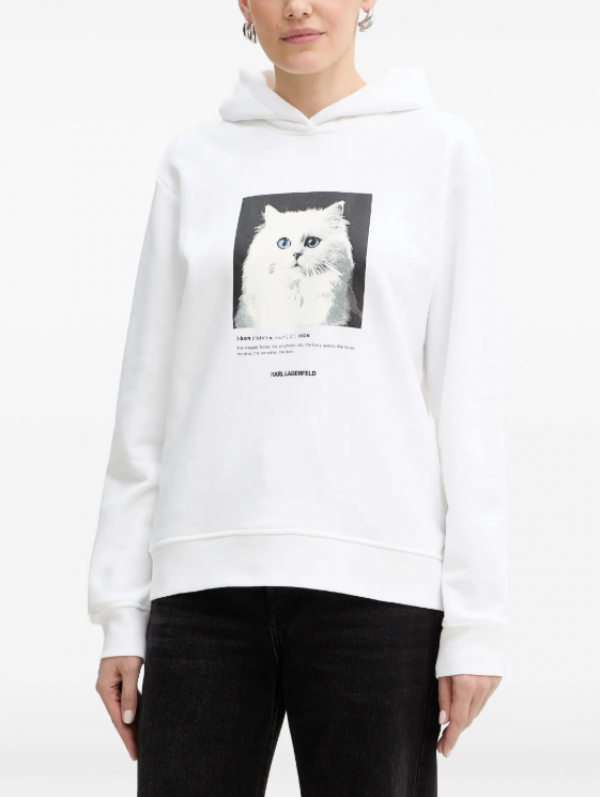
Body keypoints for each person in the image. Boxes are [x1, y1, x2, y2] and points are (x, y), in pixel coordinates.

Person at [88, 1, 510, 794]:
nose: (298, 7)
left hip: (379, 589)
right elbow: (145, 395)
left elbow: (469, 398)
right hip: (202, 587)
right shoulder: (195, 160)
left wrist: (476, 623)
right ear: (243, 5)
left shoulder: (439, 150)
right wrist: (120, 610)